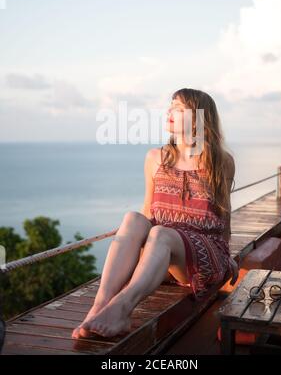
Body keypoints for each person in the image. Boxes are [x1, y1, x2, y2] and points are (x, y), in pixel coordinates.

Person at [72, 87, 238, 339]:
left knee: (162, 233)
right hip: (161, 256)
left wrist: (228, 255)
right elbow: (148, 209)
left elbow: (223, 217)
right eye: (170, 106)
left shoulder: (219, 162)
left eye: (179, 108)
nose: (169, 112)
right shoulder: (154, 158)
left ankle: (122, 310)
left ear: (198, 119)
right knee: (133, 218)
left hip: (200, 260)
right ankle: (99, 305)